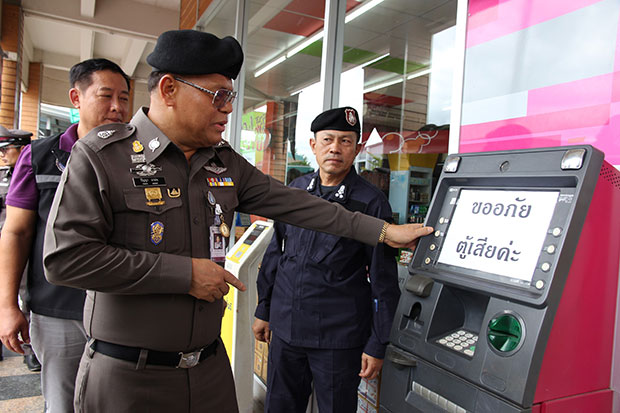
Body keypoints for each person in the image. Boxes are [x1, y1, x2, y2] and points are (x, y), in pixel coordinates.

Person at [42, 29, 432, 413]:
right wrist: (184, 274)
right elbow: (66, 259)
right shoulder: (103, 156)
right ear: (168, 90)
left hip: (209, 372)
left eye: (229, 96)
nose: (228, 107)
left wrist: (382, 231)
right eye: (218, 96)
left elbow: (301, 205)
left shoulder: (222, 162)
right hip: (131, 377)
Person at [0, 58, 130, 413]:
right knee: (63, 403)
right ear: (76, 97)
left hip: (122, 308)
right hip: (57, 308)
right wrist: (7, 305)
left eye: (124, 97)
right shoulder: (39, 157)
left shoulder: (138, 159)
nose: (117, 107)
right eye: (106, 96)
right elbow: (17, 231)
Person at [252, 107, 399, 412]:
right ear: (313, 145)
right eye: (328, 139)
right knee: (279, 406)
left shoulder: (370, 202)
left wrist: (377, 343)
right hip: (286, 329)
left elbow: (384, 282)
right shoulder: (294, 192)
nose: (335, 148)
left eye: (345, 141)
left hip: (338, 338)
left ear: (357, 149)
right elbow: (275, 254)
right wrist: (264, 308)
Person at [0, 125, 42, 371]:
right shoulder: (5, 175)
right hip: (8, 244)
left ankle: (31, 348)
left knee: (29, 294)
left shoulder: (37, 168)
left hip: (30, 246)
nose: (4, 155)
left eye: (7, 149)